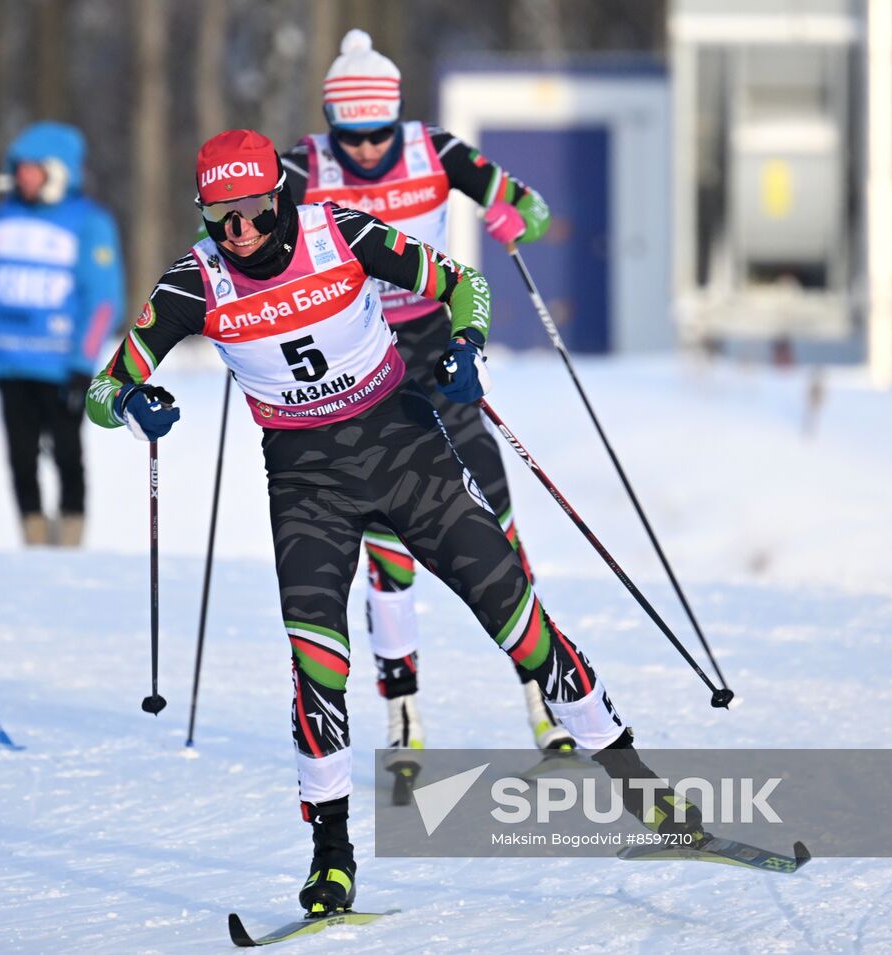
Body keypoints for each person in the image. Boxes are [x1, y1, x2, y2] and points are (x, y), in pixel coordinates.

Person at [85, 129, 701, 916]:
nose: (239, 232)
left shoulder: (338, 230)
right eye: (220, 216)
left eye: (253, 211)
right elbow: (103, 393)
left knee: (515, 616)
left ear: (281, 196)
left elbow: (463, 285)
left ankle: (632, 778)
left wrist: (467, 345)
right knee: (316, 665)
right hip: (307, 482)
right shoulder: (192, 285)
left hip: (407, 449)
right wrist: (135, 401)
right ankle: (331, 854)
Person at [281, 29, 569, 760]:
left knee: (495, 514)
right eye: (354, 136)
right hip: (361, 359)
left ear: (397, 118)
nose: (369, 151)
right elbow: (227, 237)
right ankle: (403, 711)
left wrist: (511, 219)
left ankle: (545, 698)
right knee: (389, 539)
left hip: (438, 342)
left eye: (379, 133)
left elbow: (529, 206)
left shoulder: (435, 151)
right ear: (330, 122)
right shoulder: (300, 167)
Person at [0, 121, 124, 547]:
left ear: (59, 171)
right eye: (19, 169)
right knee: (20, 456)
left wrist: (81, 364)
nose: (23, 177)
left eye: (33, 169)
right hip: (11, 363)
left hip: (61, 367)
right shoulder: (2, 217)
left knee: (68, 455)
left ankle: (70, 537)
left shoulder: (89, 223)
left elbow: (103, 300)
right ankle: (32, 536)